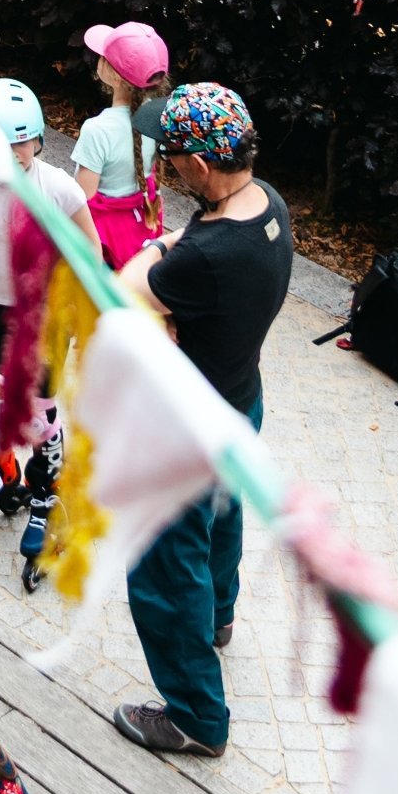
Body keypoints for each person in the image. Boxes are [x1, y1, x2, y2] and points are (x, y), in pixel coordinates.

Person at [108, 82, 288, 757]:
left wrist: (158, 254)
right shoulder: (265, 203)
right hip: (239, 400)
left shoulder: (209, 254)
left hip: (184, 428)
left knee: (162, 567)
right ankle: (219, 617)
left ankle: (193, 715)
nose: (167, 164)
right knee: (220, 517)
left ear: (201, 166)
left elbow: (125, 288)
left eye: (173, 153)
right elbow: (186, 250)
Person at [0, 79, 81, 366]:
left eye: (21, 141)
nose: (12, 153)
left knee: (40, 390)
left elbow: (88, 245)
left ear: (39, 139)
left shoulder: (58, 187)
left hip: (46, 310)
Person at [65, 20, 172, 267]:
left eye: (103, 55)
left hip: (102, 247)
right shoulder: (157, 119)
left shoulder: (98, 130)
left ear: (113, 75)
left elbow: (81, 201)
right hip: (136, 234)